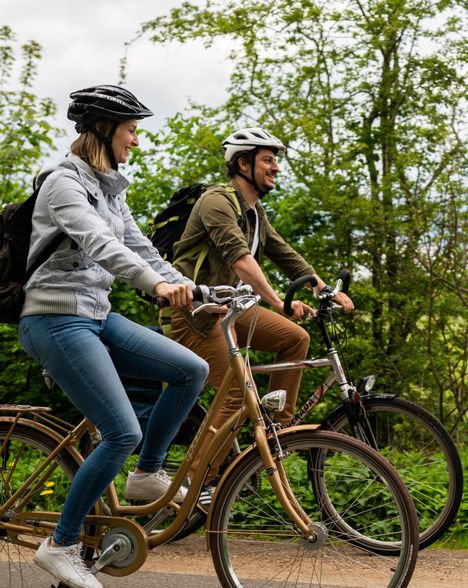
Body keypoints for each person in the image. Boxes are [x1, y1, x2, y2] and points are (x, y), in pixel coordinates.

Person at [18, 85, 209, 588]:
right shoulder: (63, 184)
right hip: (55, 319)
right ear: (103, 129)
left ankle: (147, 474)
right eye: (131, 130)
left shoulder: (108, 188)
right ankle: (60, 544)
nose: (136, 141)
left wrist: (195, 287)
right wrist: (158, 287)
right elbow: (100, 245)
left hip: (96, 317)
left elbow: (140, 247)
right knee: (121, 430)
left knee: (191, 369)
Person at [170, 126, 354, 487]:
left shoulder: (255, 214)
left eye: (275, 161)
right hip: (196, 314)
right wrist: (278, 302)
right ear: (243, 163)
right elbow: (240, 260)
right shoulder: (216, 201)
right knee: (237, 391)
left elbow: (285, 255)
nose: (276, 168)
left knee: (295, 339)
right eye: (268, 160)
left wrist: (324, 289)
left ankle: (276, 433)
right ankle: (193, 484)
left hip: (232, 311)